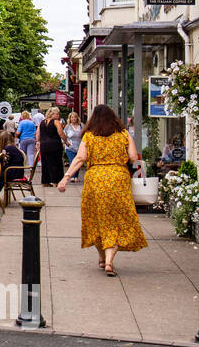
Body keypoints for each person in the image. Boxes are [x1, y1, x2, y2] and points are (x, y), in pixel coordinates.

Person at [58, 104, 147, 276]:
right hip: (118, 180)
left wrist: (66, 178)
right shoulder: (123, 134)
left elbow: (80, 158)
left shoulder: (89, 136)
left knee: (96, 218)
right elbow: (133, 157)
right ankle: (108, 260)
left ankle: (102, 256)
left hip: (95, 180)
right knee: (115, 220)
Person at [36, 106, 67, 187]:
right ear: (52, 114)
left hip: (44, 146)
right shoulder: (56, 122)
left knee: (45, 164)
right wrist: (66, 141)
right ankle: (56, 181)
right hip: (55, 145)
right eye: (57, 114)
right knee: (56, 163)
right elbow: (61, 133)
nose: (58, 116)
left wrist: (38, 142)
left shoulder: (41, 122)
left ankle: (45, 181)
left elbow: (37, 134)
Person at [63, 111, 84, 183]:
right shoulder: (67, 127)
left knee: (78, 162)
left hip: (79, 147)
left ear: (77, 118)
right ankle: (72, 176)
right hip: (70, 147)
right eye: (72, 117)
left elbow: (85, 135)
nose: (73, 119)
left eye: (75, 117)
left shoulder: (81, 126)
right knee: (72, 162)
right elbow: (64, 136)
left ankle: (76, 176)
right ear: (70, 118)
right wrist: (65, 142)